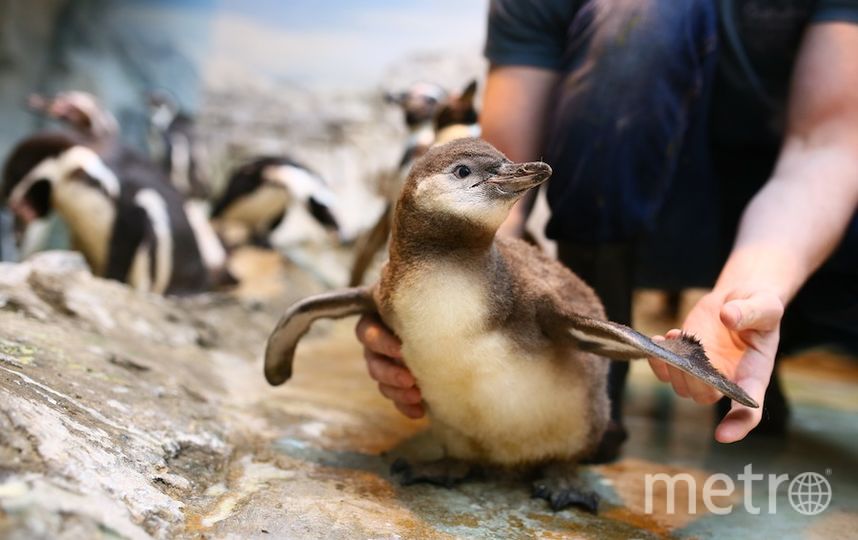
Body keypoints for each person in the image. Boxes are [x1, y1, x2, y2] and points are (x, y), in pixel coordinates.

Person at [356, 0, 858, 449]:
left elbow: (827, 146)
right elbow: (504, 169)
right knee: (639, 17)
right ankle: (602, 389)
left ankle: (771, 336)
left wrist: (744, 298)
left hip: (807, 234)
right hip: (635, 215)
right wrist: (428, 300)